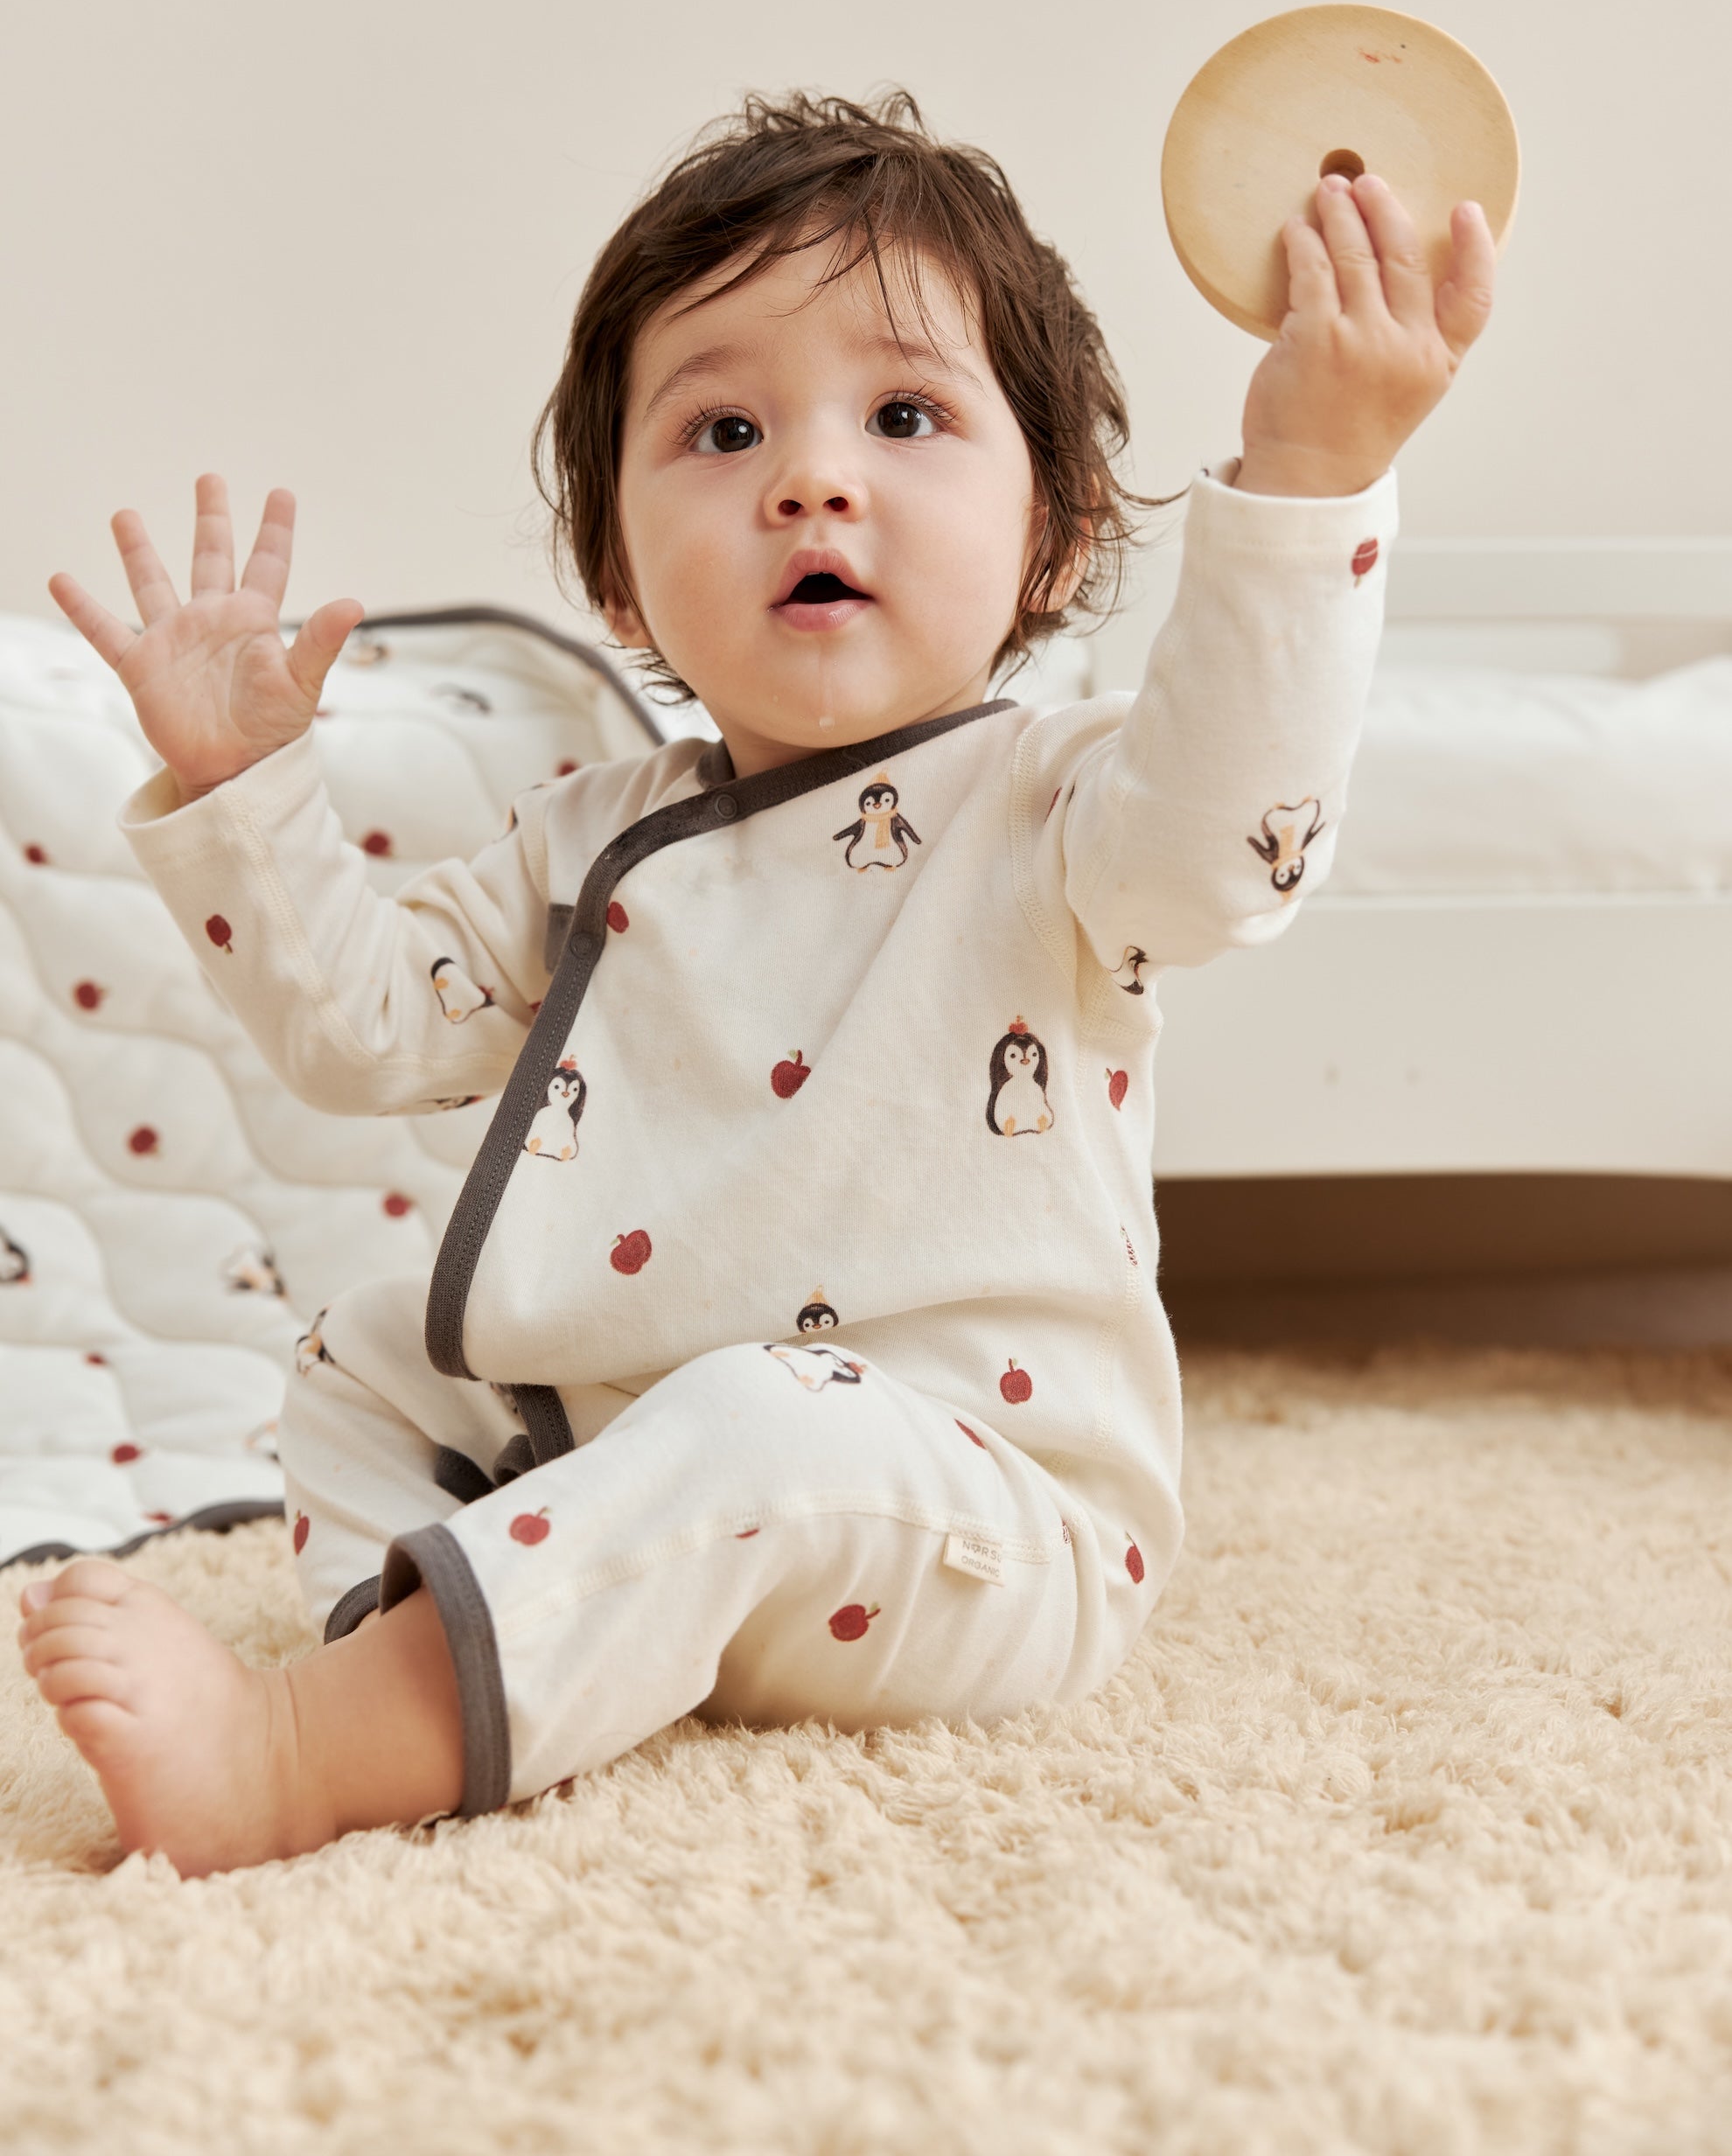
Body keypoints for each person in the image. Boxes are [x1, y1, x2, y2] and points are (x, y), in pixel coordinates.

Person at [16, 92, 1497, 1875]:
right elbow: (362, 1029)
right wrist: (251, 793)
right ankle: (450, 1654)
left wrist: (1312, 476)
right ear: (621, 575)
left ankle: (307, 1749)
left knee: (752, 1419)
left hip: (975, 1520)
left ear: (1052, 530)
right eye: (723, 425)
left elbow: (1227, 830)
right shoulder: (590, 833)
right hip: (650, 1430)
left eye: (905, 414)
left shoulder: (1062, 808)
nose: (811, 474)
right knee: (366, 1350)